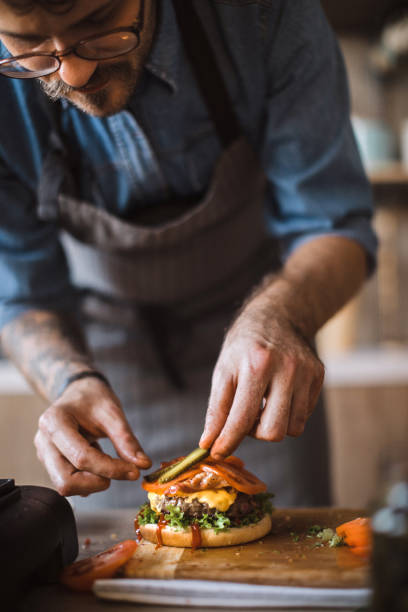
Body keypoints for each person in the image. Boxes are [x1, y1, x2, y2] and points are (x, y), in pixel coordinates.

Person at [0, 0, 377, 509]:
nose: (75, 71)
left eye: (97, 25)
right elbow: (22, 294)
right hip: (104, 366)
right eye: (31, 47)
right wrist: (69, 380)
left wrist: (277, 317)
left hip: (265, 352)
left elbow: (333, 227)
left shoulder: (266, 14)